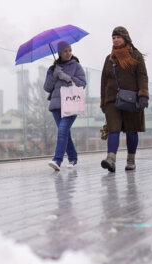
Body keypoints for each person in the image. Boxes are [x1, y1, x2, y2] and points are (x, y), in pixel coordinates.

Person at [100, 26, 149, 172]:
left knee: (131, 130)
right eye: (113, 38)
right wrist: (103, 101)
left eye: (118, 37)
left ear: (125, 38)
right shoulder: (109, 59)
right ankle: (111, 159)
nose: (115, 40)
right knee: (113, 129)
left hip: (132, 99)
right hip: (112, 100)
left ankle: (131, 160)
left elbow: (142, 76)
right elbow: (103, 81)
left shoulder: (136, 56)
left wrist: (143, 95)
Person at [44, 41, 87, 171]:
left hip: (71, 104)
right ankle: (73, 158)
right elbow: (47, 87)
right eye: (65, 51)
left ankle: (57, 160)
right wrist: (55, 75)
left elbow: (82, 84)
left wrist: (67, 77)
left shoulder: (76, 66)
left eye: (70, 50)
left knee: (62, 132)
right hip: (56, 106)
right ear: (60, 53)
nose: (68, 53)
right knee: (65, 133)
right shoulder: (52, 69)